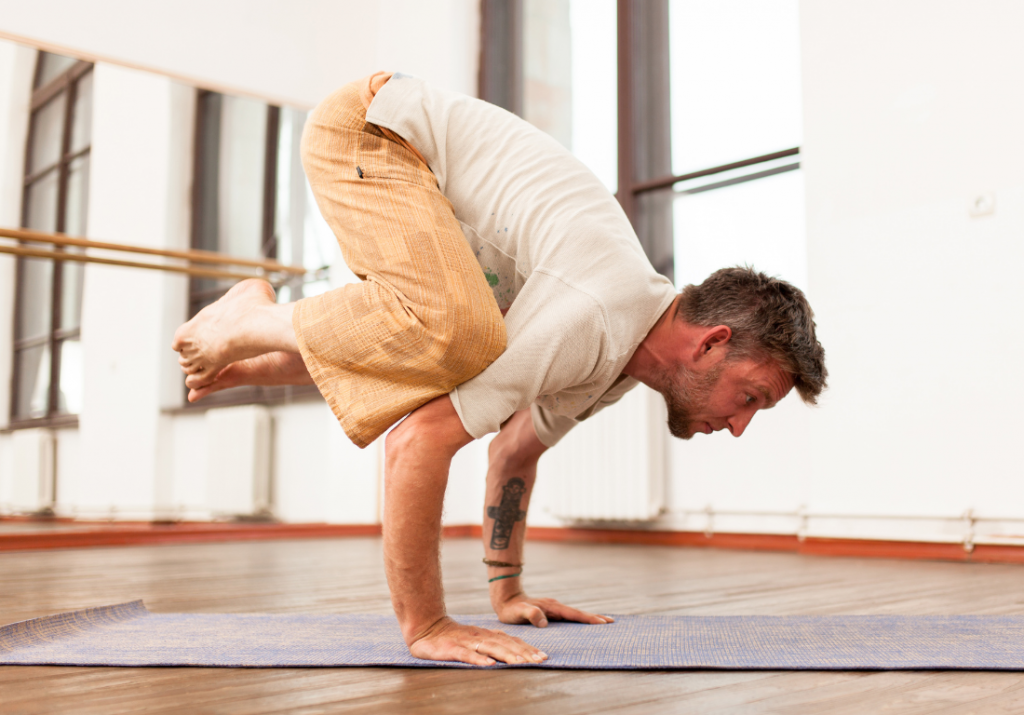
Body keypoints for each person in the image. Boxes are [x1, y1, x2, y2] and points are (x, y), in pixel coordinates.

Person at [172, 72, 827, 667]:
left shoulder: (622, 358)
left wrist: (507, 590)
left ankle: (254, 354)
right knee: (455, 332)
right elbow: (417, 439)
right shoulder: (595, 314)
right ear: (711, 343)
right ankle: (252, 318)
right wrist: (427, 623)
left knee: (460, 345)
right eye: (751, 397)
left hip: (413, 179)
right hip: (371, 129)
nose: (739, 425)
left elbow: (513, 451)